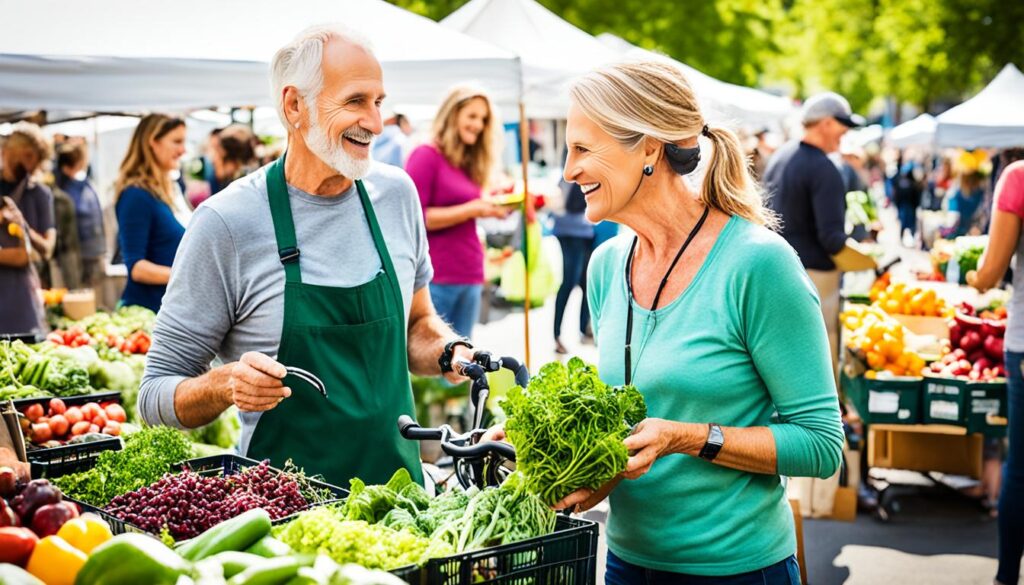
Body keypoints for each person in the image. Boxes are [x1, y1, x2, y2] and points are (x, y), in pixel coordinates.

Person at [489, 61, 843, 584]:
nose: (568, 171)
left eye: (583, 149)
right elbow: (633, 421)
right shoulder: (607, 265)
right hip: (626, 564)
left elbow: (820, 445)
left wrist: (689, 437)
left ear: (649, 148)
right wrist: (552, 447)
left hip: (738, 570)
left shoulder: (758, 264)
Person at [138, 25, 490, 489]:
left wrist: (450, 352)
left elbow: (417, 324)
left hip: (403, 509)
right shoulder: (226, 222)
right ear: (293, 106)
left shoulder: (396, 195)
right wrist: (225, 385)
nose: (377, 122)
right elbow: (154, 394)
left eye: (379, 102)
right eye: (355, 101)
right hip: (286, 528)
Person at [765, 92, 867, 378]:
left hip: (774, 272)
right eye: (842, 125)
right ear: (825, 124)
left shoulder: (781, 156)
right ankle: (824, 423)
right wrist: (869, 261)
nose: (845, 133)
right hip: (815, 277)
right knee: (818, 355)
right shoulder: (825, 168)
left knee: (782, 354)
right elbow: (832, 238)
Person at [406, 85, 511, 339]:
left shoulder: (468, 163)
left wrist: (492, 207)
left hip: (470, 271)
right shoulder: (426, 155)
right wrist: (471, 209)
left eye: (483, 119)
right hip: (436, 276)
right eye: (472, 116)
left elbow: (467, 208)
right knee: (432, 363)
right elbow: (415, 219)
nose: (478, 124)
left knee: (463, 363)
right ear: (452, 115)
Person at [965, 150, 1024, 585]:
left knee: (1020, 467)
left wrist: (973, 279)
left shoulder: (1018, 178)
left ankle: (1006, 576)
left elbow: (990, 273)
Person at [114, 114, 188, 312]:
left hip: (172, 309)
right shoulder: (136, 195)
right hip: (147, 314)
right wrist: (190, 275)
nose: (183, 150)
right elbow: (137, 268)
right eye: (176, 142)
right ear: (153, 143)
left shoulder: (172, 189)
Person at [0, 123, 55, 336]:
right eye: (28, 156)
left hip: (21, 295)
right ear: (10, 151)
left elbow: (47, 249)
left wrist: (22, 225)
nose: (31, 165)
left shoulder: (40, 194)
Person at [55, 142, 106, 291]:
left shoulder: (84, 184)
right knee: (80, 295)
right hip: (76, 254)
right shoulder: (63, 192)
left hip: (92, 251)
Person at [552, 180, 594, 354]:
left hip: (581, 231)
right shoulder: (573, 174)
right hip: (573, 230)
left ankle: (585, 329)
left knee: (585, 282)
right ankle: (557, 335)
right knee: (569, 282)